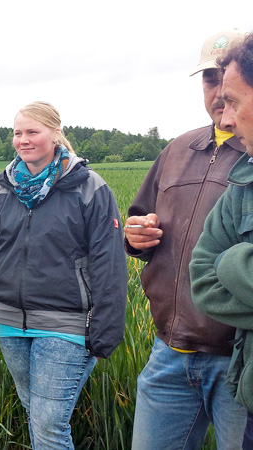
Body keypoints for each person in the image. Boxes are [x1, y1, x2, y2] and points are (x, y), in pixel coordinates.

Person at [0, 101, 127, 449]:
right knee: (37, 415)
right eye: (17, 133)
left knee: (48, 422)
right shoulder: (1, 190)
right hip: (9, 321)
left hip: (67, 324)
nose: (23, 140)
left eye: (32, 132)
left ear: (56, 134)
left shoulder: (89, 188)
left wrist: (106, 329)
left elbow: (109, 263)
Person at [124, 29, 247, 450]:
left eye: (224, 80)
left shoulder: (250, 152)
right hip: (169, 353)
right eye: (208, 79)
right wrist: (135, 236)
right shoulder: (176, 150)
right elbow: (138, 216)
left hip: (237, 359)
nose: (217, 93)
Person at [190, 31, 253, 449]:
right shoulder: (177, 151)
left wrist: (233, 263)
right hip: (178, 349)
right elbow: (203, 275)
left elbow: (219, 265)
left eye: (232, 99)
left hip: (225, 351)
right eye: (210, 82)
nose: (225, 118)